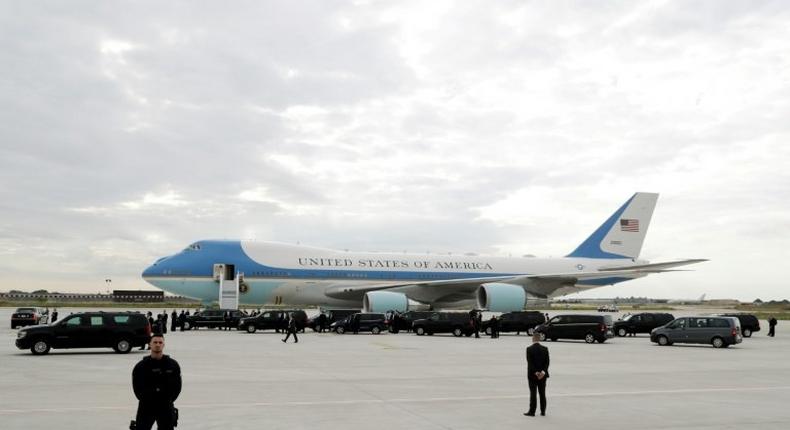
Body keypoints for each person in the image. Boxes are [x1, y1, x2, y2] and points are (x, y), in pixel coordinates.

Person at [132, 334, 181, 430]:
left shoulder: (172, 365)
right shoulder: (141, 366)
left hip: (166, 406)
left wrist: (168, 399)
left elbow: (177, 387)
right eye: (155, 342)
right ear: (150, 344)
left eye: (160, 342)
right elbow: (136, 388)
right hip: (146, 406)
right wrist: (147, 398)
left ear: (163, 345)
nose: (157, 345)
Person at [524, 332, 550, 417]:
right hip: (543, 376)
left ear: (533, 338)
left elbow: (530, 363)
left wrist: (536, 372)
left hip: (532, 375)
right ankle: (543, 411)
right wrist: (542, 372)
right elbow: (547, 363)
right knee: (542, 393)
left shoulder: (529, 349)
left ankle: (532, 411)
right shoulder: (545, 348)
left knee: (533, 393)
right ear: (539, 338)